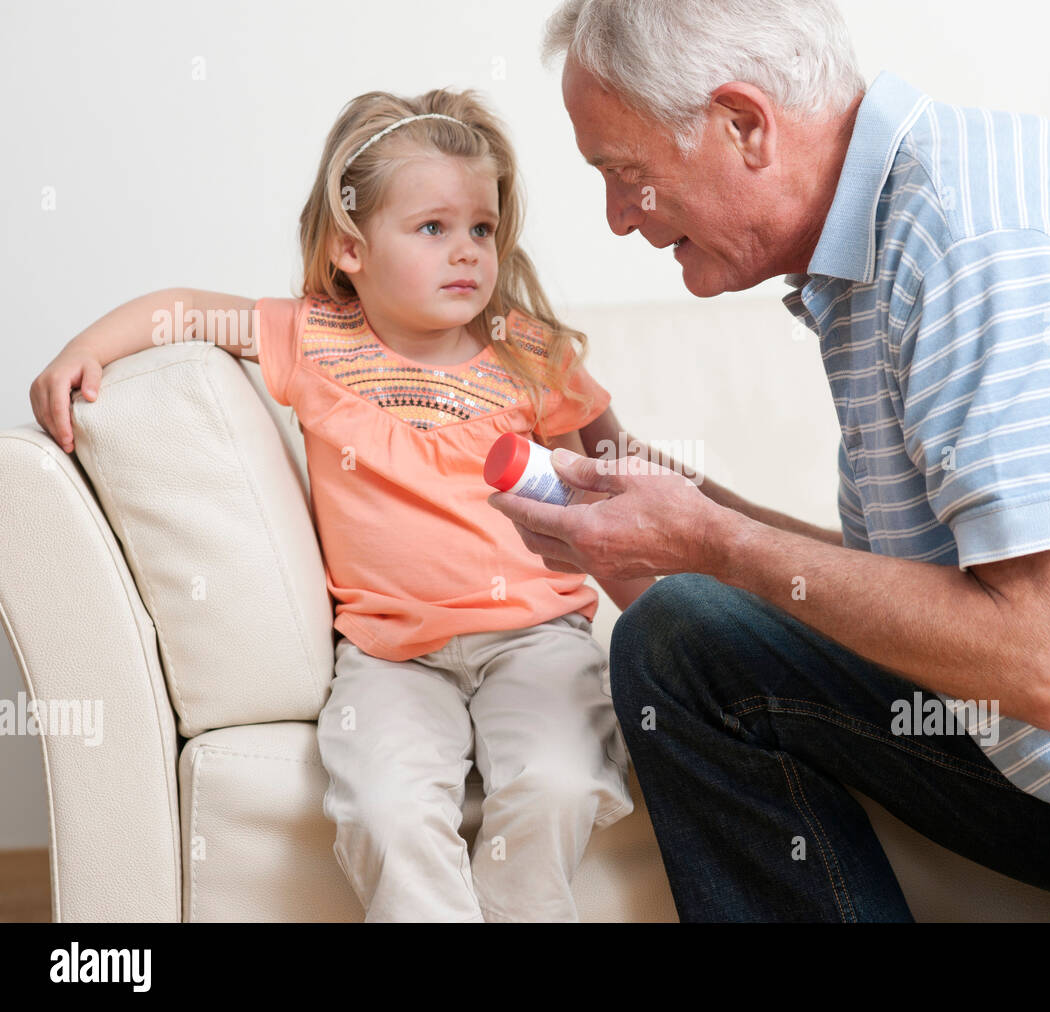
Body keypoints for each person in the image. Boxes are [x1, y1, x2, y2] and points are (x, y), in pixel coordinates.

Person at [483, 0, 1050, 922]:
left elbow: (1047, 661)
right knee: (682, 641)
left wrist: (715, 540)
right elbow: (923, 595)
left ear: (744, 124)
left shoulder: (970, 231)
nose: (618, 217)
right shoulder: (870, 250)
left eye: (626, 174)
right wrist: (685, 522)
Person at [28, 86, 652, 922]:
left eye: (481, 229)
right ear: (350, 246)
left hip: (536, 637)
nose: (467, 251)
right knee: (386, 811)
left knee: (561, 780)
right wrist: (82, 352)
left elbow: (620, 484)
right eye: (432, 228)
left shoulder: (529, 351)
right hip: (390, 654)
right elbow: (178, 312)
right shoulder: (316, 339)